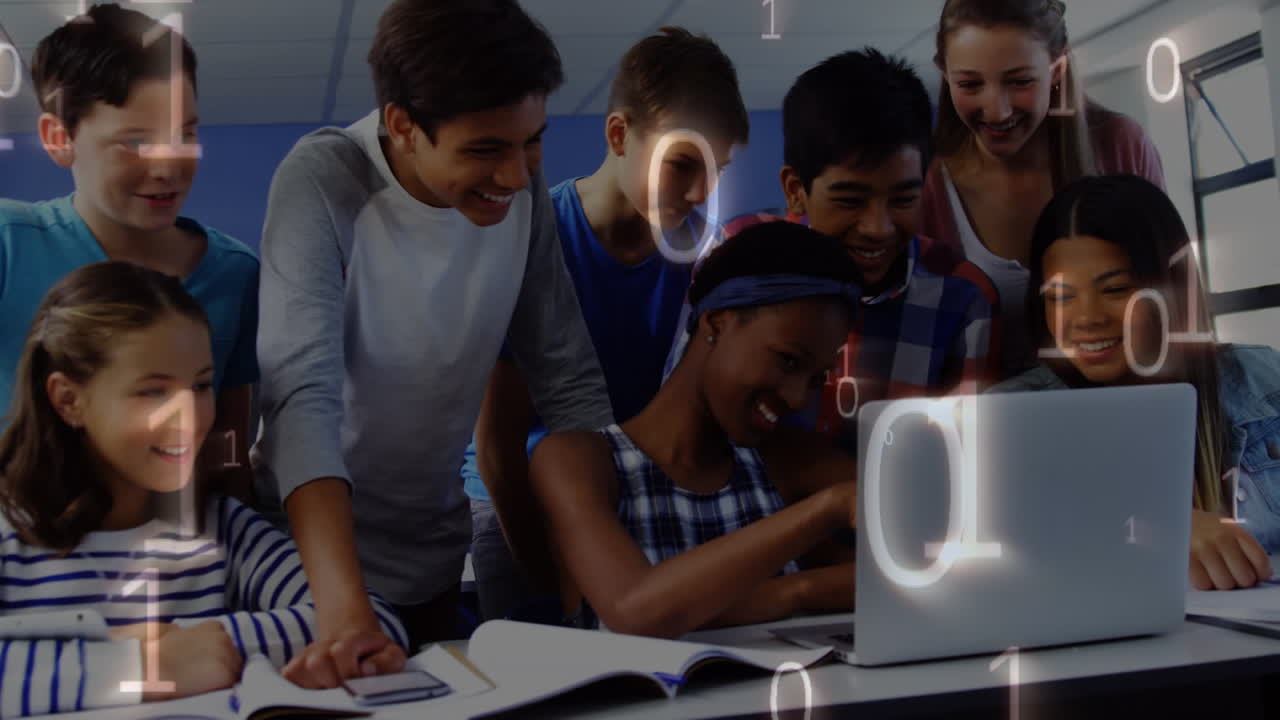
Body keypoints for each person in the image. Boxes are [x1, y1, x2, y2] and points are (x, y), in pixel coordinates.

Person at [254, 0, 612, 668]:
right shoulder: (325, 178)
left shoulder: (519, 190)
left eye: (531, 141)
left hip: (432, 557)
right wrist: (340, 607)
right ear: (402, 125)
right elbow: (302, 397)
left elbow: (567, 375)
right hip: (308, 571)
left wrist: (600, 562)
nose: (515, 175)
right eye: (485, 150)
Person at [0, 262, 406, 716]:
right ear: (68, 400)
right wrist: (142, 666)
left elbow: (369, 626)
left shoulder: (220, 528)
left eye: (200, 385)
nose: (190, 417)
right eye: (153, 392)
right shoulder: (8, 531)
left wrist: (201, 646)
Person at [461, 26, 747, 623]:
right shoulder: (534, 240)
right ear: (619, 135)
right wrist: (550, 582)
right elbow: (497, 444)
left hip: (630, 500)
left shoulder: (704, 258)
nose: (701, 192)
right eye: (683, 164)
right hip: (517, 511)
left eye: (717, 170)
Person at [532, 222, 861, 638]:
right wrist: (799, 582)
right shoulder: (579, 460)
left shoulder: (788, 459)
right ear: (716, 323)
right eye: (789, 361)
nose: (798, 398)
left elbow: (934, 565)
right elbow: (633, 609)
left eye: (818, 378)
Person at [0, 3, 258, 499]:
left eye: (185, 133)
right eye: (136, 141)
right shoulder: (11, 247)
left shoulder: (234, 274)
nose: (168, 166)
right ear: (60, 139)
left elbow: (227, 448)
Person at [690, 49, 998, 451]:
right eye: (850, 201)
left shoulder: (963, 298)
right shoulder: (738, 255)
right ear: (795, 190)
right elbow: (689, 422)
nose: (877, 228)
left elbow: (966, 462)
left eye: (903, 200)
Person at [990, 175, 1279, 590]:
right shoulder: (1011, 415)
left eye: (1116, 289)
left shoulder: (1261, 379)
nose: (1087, 318)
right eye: (1060, 296)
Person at [922, 0, 1165, 378]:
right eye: (970, 84)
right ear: (944, 74)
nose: (997, 110)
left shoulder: (1118, 145)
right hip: (985, 420)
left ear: (1057, 68)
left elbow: (1169, 290)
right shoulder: (928, 183)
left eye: (1019, 82)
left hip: (1120, 402)